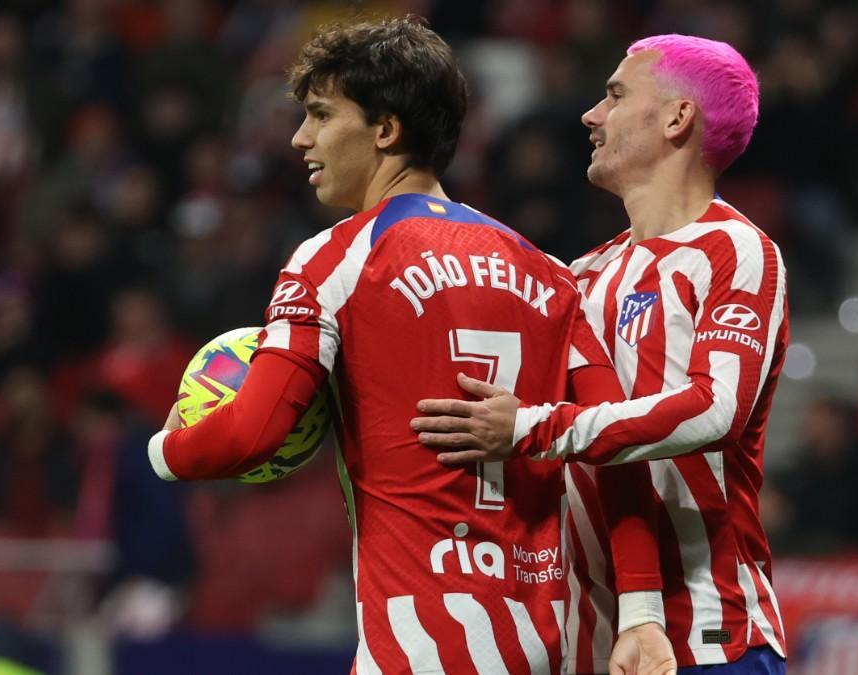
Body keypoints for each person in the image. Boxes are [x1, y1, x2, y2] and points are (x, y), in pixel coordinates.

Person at [146, 17, 666, 674]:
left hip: (421, 645)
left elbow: (253, 432)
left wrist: (164, 449)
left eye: (320, 115)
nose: (301, 138)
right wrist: (642, 612)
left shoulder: (332, 261)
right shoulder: (552, 275)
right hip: (542, 639)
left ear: (386, 130)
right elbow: (618, 449)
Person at [413, 35, 789, 674]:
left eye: (615, 96)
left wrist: (532, 427)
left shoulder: (736, 251)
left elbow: (715, 408)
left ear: (677, 119)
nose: (591, 115)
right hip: (597, 643)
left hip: (711, 636)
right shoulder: (582, 275)